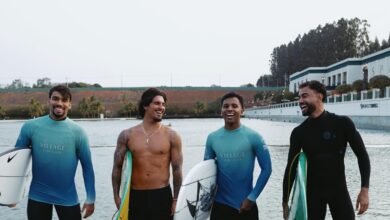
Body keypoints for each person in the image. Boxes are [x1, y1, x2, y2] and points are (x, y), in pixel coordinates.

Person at [282, 80, 370, 220]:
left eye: (304, 96)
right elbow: (291, 168)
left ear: (319, 96)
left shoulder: (342, 123)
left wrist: (364, 189)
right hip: (312, 196)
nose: (300, 101)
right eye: (299, 97)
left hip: (339, 192)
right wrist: (285, 202)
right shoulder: (299, 132)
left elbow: (362, 156)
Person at [14, 85, 96, 220]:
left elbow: (87, 168)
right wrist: (12, 194)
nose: (59, 103)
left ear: (69, 104)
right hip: (38, 196)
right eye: (55, 99)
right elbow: (16, 161)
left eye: (64, 100)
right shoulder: (31, 127)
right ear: (49, 101)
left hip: (67, 197)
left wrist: (91, 199)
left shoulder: (78, 133)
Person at [111, 88, 183, 220]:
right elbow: (117, 167)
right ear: (145, 105)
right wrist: (116, 197)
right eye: (157, 103)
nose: (161, 107)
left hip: (162, 196)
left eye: (163, 104)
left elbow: (177, 170)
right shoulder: (127, 135)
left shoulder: (172, 136)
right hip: (135, 196)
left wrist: (176, 199)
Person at [204, 92, 272, 220]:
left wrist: (252, 198)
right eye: (226, 106)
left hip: (246, 205)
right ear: (221, 111)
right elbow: (206, 173)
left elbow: (267, 169)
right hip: (220, 206)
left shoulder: (254, 137)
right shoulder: (212, 138)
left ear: (242, 110)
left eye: (234, 106)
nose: (230, 109)